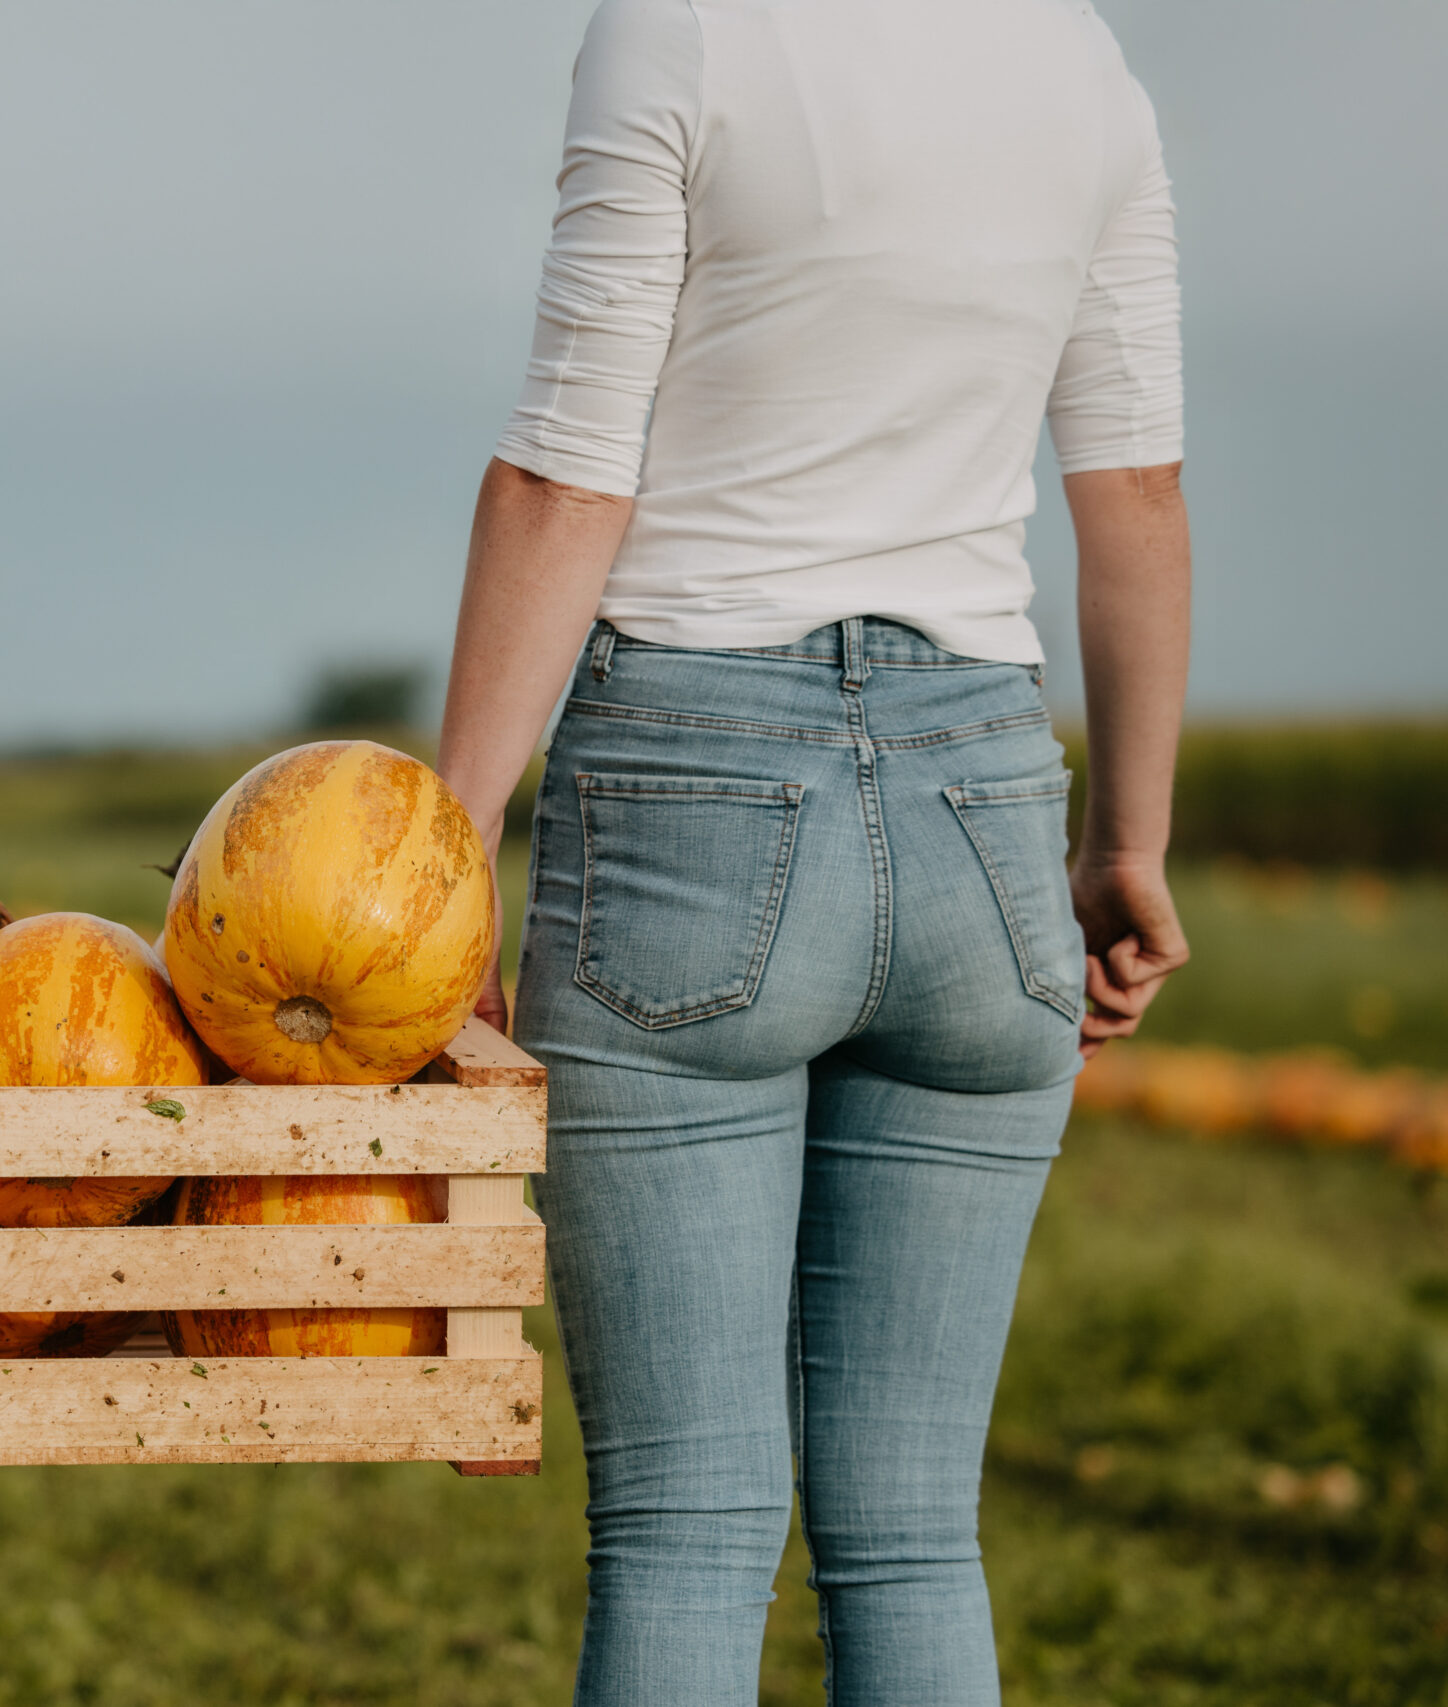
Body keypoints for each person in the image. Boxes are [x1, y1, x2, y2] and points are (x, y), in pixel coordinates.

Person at [435, 0, 1190, 1699]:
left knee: (687, 1523)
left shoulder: (681, 32)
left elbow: (569, 476)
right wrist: (1129, 841)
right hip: (988, 811)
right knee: (917, 1529)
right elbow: (1133, 488)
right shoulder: (1078, 63)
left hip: (688, 799)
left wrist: (444, 844)